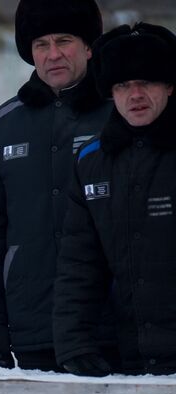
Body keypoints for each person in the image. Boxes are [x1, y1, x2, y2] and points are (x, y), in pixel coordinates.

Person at [0, 0, 110, 371]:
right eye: (41, 44)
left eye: (65, 40)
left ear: (90, 45)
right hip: (32, 325)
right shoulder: (4, 124)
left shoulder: (120, 115)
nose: (53, 54)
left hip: (112, 327)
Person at [54, 23, 176, 376]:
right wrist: (74, 343)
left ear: (169, 86)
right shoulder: (92, 161)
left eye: (146, 82)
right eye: (123, 85)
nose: (134, 94)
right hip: (125, 358)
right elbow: (79, 262)